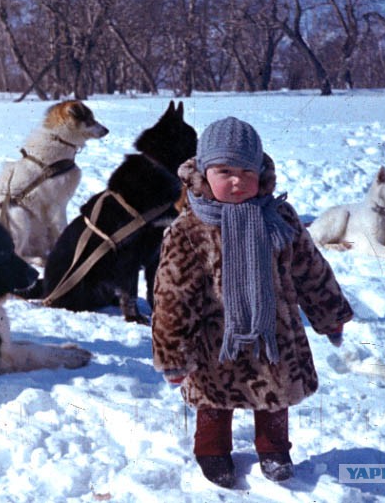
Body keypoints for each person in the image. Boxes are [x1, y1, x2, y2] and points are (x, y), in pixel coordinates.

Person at [151, 117, 353, 489]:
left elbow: (310, 270)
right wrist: (174, 354)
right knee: (214, 396)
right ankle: (211, 450)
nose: (237, 181)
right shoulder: (189, 228)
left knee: (274, 394)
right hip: (215, 337)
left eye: (247, 171)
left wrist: (330, 315)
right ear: (203, 172)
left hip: (273, 333)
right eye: (225, 171)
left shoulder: (279, 217)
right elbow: (172, 297)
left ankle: (274, 449)